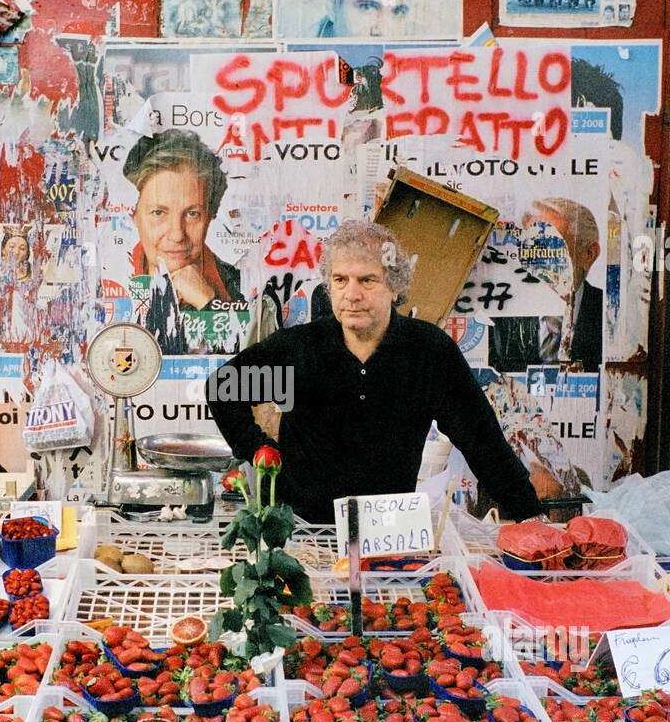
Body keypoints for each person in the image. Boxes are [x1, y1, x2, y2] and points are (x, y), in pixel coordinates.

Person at [207, 220, 543, 525]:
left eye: (367, 280)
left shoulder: (427, 352)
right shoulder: (301, 349)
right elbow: (224, 389)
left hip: (389, 533)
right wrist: (259, 449)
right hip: (302, 529)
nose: (352, 295)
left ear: (394, 287)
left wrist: (529, 515)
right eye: (340, 280)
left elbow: (482, 440)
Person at [123, 128, 243, 353]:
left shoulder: (241, 285)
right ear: (134, 216)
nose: (177, 234)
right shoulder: (107, 282)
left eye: (192, 214)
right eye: (159, 213)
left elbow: (255, 373)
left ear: (209, 216)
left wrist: (210, 304)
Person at [488, 198, 603, 374]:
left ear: (589, 254)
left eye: (552, 248)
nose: (537, 262)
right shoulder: (499, 312)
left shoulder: (608, 314)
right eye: (530, 249)